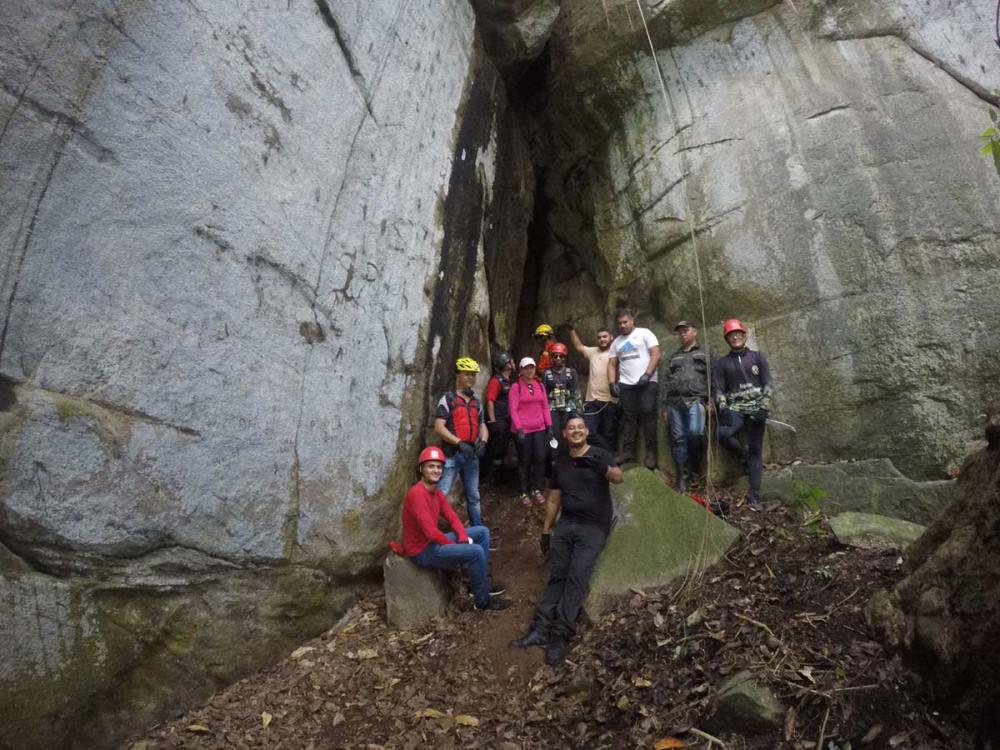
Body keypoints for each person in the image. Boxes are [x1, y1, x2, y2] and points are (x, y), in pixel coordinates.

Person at [511, 416, 624, 665]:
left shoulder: (599, 454)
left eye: (580, 428)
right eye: (571, 428)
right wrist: (546, 529)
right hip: (567, 524)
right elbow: (553, 499)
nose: (576, 431)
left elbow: (618, 478)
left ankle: (560, 635)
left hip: (593, 527)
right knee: (558, 575)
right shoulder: (561, 462)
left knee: (577, 576)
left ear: (586, 432)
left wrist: (603, 468)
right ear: (564, 434)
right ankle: (540, 629)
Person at [403, 446, 511, 611]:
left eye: (439, 466)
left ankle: (480, 582)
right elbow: (430, 531)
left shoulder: (436, 493)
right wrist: (458, 544)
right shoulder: (417, 494)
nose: (436, 470)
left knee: (482, 532)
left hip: (432, 542)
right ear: (421, 469)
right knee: (475, 551)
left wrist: (461, 535)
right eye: (431, 466)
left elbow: (452, 517)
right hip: (422, 550)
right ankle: (482, 601)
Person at [712, 319, 773, 512]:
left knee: (756, 448)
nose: (735, 337)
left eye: (738, 333)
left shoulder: (757, 357)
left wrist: (764, 408)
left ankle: (755, 494)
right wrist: (722, 408)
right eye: (731, 335)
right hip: (735, 408)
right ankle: (743, 457)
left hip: (756, 408)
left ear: (744, 336)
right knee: (721, 434)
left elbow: (768, 384)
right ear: (727, 339)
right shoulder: (722, 364)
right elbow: (718, 389)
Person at [434, 357, 489, 527]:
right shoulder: (448, 399)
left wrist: (484, 442)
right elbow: (439, 427)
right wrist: (458, 442)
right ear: (458, 375)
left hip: (471, 455)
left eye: (473, 375)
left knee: (474, 496)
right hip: (452, 455)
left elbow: (482, 425)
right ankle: (428, 531)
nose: (470, 378)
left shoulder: (476, 403)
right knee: (440, 494)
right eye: (466, 374)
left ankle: (478, 530)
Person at [607, 309, 661, 469]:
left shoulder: (644, 333)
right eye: (620, 323)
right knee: (629, 417)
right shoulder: (616, 342)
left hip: (647, 381)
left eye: (625, 322)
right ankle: (628, 452)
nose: (622, 325)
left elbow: (656, 353)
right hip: (626, 384)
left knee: (647, 413)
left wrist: (647, 374)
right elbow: (611, 364)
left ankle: (651, 452)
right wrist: (612, 383)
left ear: (632, 321)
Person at [662, 320, 711, 492]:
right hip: (674, 403)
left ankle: (695, 463)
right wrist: (664, 407)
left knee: (695, 431)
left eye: (686, 330)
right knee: (677, 438)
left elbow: (716, 377)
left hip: (696, 399)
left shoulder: (706, 353)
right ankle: (683, 475)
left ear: (695, 332)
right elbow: (666, 382)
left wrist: (712, 400)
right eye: (680, 331)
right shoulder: (674, 356)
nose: (682, 333)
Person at [509, 357, 555, 508]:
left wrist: (549, 426)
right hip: (523, 429)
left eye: (532, 368)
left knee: (540, 458)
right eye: (526, 368)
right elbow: (513, 409)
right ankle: (523, 490)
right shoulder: (517, 387)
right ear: (521, 370)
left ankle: (535, 487)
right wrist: (519, 428)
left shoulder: (540, 386)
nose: (529, 370)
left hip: (539, 428)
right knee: (524, 460)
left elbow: (545, 407)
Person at [567, 324, 619, 451]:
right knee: (589, 432)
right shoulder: (593, 352)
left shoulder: (617, 353)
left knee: (609, 433)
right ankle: (605, 454)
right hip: (593, 400)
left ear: (611, 337)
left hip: (611, 400)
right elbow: (579, 347)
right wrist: (571, 329)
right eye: (599, 337)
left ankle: (608, 461)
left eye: (605, 336)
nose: (602, 339)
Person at [542, 342, 582, 442]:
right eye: (555, 356)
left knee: (570, 432)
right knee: (555, 433)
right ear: (552, 358)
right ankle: (555, 456)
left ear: (565, 357)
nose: (558, 358)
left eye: (561, 356)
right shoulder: (546, 374)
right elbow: (543, 395)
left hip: (569, 407)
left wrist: (579, 411)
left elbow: (576, 392)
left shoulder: (571, 372)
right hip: (553, 408)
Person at [484, 351, 515, 478]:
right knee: (497, 448)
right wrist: (493, 421)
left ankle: (502, 474)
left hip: (508, 418)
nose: (513, 364)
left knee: (505, 446)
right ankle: (492, 475)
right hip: (499, 419)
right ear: (506, 363)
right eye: (511, 361)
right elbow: (490, 401)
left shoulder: (510, 381)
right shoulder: (496, 381)